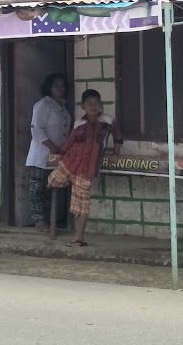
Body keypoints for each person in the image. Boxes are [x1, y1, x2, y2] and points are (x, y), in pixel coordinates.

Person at [48, 89, 122, 247]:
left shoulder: (108, 121)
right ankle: (71, 186)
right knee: (52, 180)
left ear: (100, 104)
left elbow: (118, 137)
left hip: (87, 169)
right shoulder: (78, 123)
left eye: (96, 103)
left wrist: (116, 153)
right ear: (83, 106)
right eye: (89, 103)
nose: (93, 106)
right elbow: (69, 143)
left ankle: (78, 237)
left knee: (81, 204)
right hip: (70, 162)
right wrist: (58, 155)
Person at [25, 73, 71, 232]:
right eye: (56, 85)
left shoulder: (62, 106)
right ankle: (39, 221)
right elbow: (36, 130)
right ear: (49, 87)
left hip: (57, 154)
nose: (60, 88)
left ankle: (50, 220)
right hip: (41, 154)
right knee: (37, 188)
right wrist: (52, 147)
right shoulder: (43, 104)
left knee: (50, 187)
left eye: (62, 85)